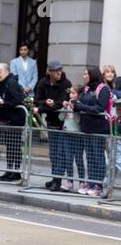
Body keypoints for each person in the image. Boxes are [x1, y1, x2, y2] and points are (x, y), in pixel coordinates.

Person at [34, 60, 72, 191]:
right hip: (50, 121)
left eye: (60, 70)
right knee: (53, 152)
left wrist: (43, 108)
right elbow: (37, 99)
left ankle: (58, 180)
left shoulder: (66, 83)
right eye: (56, 71)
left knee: (60, 153)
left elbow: (62, 103)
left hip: (62, 123)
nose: (59, 73)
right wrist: (45, 102)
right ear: (49, 72)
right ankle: (55, 177)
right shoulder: (42, 83)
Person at [75, 67, 111, 197]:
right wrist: (74, 105)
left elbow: (100, 108)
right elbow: (82, 105)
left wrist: (81, 106)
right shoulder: (86, 89)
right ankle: (90, 182)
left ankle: (99, 185)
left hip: (98, 128)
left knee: (98, 157)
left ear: (92, 75)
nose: (84, 76)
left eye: (86, 74)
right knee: (89, 157)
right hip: (86, 127)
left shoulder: (103, 89)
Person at [0, 63, 26, 181]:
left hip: (15, 119)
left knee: (14, 146)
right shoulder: (0, 83)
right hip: (6, 119)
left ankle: (16, 172)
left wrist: (4, 103)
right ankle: (9, 170)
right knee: (9, 146)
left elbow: (17, 100)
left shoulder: (11, 83)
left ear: (6, 72)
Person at [59, 85, 86, 192]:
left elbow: (79, 121)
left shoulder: (80, 106)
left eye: (74, 93)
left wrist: (74, 109)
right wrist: (65, 109)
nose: (71, 95)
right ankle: (69, 181)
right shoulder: (67, 105)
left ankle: (81, 182)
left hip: (77, 135)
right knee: (68, 159)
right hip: (66, 134)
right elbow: (60, 117)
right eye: (70, 93)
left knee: (79, 160)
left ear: (79, 95)